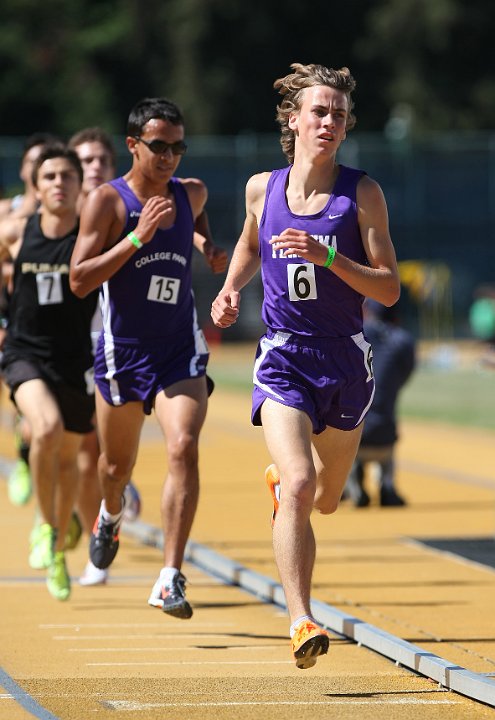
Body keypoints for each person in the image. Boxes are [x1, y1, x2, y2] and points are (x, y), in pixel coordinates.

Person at [211, 62, 400, 669]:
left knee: (326, 499)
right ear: (293, 120)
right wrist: (232, 288)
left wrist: (330, 257)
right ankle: (300, 619)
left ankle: (292, 490)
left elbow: (390, 288)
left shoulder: (362, 194)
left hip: (345, 360)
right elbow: (247, 243)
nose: (329, 122)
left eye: (339, 114)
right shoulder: (261, 189)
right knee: (297, 484)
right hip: (284, 354)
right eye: (319, 111)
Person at [70, 97, 226, 619]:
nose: (169, 158)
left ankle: (168, 575)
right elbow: (79, 279)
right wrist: (138, 236)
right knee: (115, 467)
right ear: (133, 144)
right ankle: (110, 514)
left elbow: (195, 218)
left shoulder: (191, 192)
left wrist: (207, 245)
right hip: (123, 351)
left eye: (178, 147)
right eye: (159, 147)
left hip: (179, 345)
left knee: (182, 446)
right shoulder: (106, 204)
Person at [0, 144, 98, 601]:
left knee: (68, 461)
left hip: (76, 360)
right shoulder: (17, 232)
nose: (59, 183)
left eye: (67, 176)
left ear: (80, 186)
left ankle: (57, 546)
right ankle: (44, 525)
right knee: (46, 430)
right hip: (25, 353)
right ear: (36, 186)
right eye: (50, 176)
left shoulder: (91, 235)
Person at [0, 133, 61, 507]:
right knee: (31, 405)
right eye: (35, 162)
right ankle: (26, 462)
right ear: (26, 169)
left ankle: (51, 481)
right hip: (14, 320)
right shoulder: (9, 216)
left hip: (56, 322)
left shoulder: (67, 216)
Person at [344, 298, 416, 507]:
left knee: (343, 416)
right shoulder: (404, 340)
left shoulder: (354, 334)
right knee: (385, 411)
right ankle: (387, 485)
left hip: (354, 439)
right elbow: (404, 374)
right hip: (386, 438)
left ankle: (350, 486)